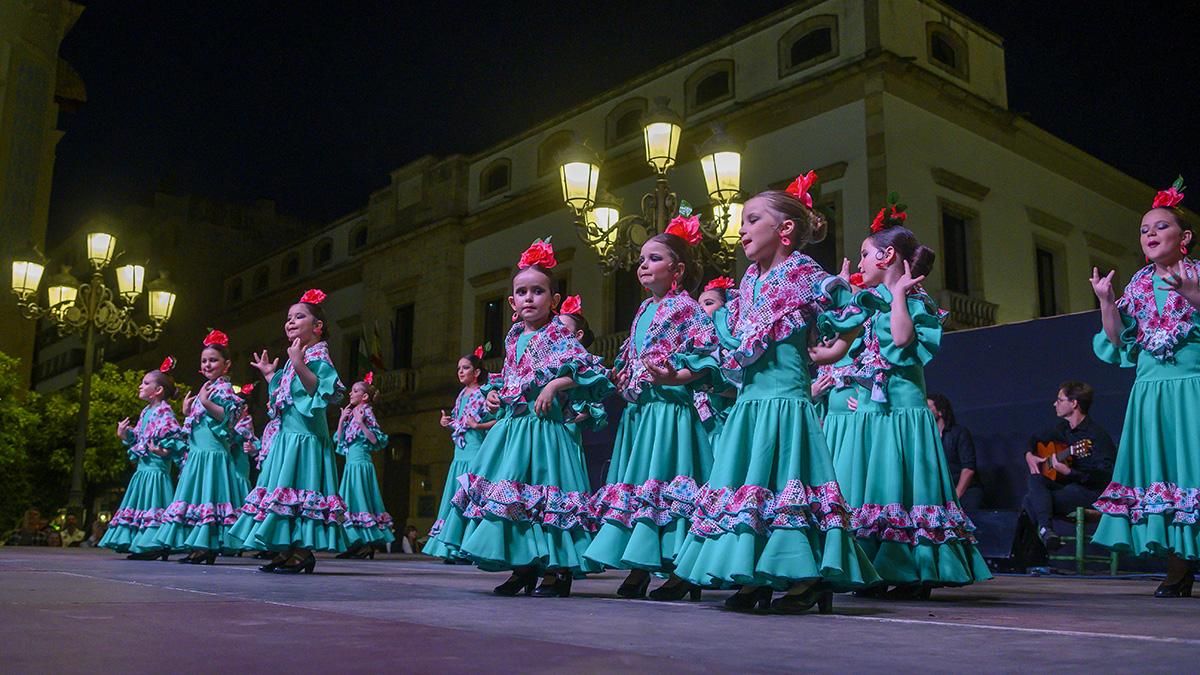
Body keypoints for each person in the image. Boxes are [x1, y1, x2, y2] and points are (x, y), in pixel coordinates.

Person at [673, 171, 879, 614]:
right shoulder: (748, 281)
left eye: (751, 220)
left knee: (788, 481)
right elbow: (735, 343)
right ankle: (755, 573)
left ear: (784, 230)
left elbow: (849, 310)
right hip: (750, 402)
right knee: (752, 483)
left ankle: (806, 577)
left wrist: (833, 351)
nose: (742, 229)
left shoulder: (804, 272)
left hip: (786, 400)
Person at [828, 194, 991, 599]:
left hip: (902, 413)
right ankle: (875, 568)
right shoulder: (865, 303)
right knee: (871, 492)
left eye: (865, 254)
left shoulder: (916, 300)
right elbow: (841, 352)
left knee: (901, 490)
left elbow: (902, 341)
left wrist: (898, 293)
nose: (860, 262)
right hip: (868, 413)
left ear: (887, 256)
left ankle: (913, 571)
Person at [431, 238, 614, 598]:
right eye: (522, 292)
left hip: (546, 428)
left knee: (548, 496)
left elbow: (588, 370)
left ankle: (556, 569)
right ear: (512, 303)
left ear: (554, 300)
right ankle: (523, 565)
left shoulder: (557, 333)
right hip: (514, 427)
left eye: (538, 291)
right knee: (512, 496)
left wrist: (554, 386)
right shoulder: (514, 337)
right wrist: (499, 396)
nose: (530, 298)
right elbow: (514, 378)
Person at [584, 216, 721, 600]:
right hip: (640, 414)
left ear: (677, 270)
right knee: (641, 485)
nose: (643, 265)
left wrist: (675, 375)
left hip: (672, 413)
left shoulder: (688, 308)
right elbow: (632, 355)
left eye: (654, 258)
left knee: (669, 483)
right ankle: (641, 564)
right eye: (641, 259)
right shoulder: (644, 310)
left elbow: (706, 355)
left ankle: (681, 568)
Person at [1091, 176, 1200, 597]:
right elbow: (1118, 341)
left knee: (1193, 471)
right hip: (1151, 393)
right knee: (1166, 478)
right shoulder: (1137, 284)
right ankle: (1178, 568)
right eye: (1144, 229)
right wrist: (1105, 301)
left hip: (1192, 389)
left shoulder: (1196, 276)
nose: (1150, 234)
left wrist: (1194, 297)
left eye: (1160, 226)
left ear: (1184, 236)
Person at [227, 289, 349, 574]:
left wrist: (296, 362)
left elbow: (319, 389)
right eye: (288, 318)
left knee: (301, 489)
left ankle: (302, 551)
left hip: (305, 438)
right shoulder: (301, 352)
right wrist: (271, 374)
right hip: (288, 437)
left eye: (299, 316)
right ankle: (286, 548)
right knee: (284, 492)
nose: (290, 322)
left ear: (317, 326)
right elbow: (288, 394)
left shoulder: (318, 353)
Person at [155, 333, 248, 564]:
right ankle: (199, 547)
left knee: (209, 497)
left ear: (226, 365)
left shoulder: (224, 389)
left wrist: (205, 403)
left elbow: (228, 417)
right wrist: (188, 411)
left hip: (213, 454)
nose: (207, 364)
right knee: (197, 498)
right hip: (198, 454)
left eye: (213, 360)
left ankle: (207, 546)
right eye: (204, 360)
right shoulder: (207, 388)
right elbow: (198, 422)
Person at [99, 357, 182, 559]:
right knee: (142, 504)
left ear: (158, 390)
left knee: (153, 504)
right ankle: (143, 543)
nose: (140, 386)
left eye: (146, 383)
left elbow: (175, 440)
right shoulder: (147, 411)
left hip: (155, 470)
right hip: (144, 470)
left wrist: (162, 452)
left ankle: (154, 544)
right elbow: (140, 438)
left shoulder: (165, 412)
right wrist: (125, 434)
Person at [1021, 381, 1116, 552]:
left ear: (1074, 403)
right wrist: (1029, 455)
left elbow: (1106, 475)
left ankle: (1040, 543)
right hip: (1067, 487)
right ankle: (1045, 533)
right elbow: (1034, 438)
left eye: (1059, 400)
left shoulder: (1097, 435)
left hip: (1089, 492)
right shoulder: (1062, 429)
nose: (1054, 404)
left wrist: (1071, 473)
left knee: (1031, 500)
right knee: (1035, 479)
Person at [424, 348, 494, 561]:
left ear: (477, 372)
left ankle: (469, 547)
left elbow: (499, 420)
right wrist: (448, 422)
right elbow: (460, 422)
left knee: (470, 496)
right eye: (459, 369)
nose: (460, 372)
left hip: (475, 453)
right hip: (459, 454)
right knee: (456, 497)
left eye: (465, 368)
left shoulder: (485, 392)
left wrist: (479, 426)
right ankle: (453, 547)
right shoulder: (461, 395)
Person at [334, 372, 394, 559]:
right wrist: (342, 420)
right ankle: (355, 543)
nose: (351, 394)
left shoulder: (365, 411)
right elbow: (339, 440)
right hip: (352, 464)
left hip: (361, 463)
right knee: (350, 502)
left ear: (365, 396)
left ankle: (364, 543)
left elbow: (376, 439)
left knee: (359, 501)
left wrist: (361, 423)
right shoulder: (353, 413)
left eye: (355, 391)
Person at [694, 276, 738, 448]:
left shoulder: (735, 345)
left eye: (709, 303)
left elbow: (744, 387)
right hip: (702, 425)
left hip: (728, 422)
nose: (701, 309)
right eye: (699, 305)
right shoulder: (693, 345)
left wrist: (710, 385)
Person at [928, 393, 984, 511]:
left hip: (965, 491)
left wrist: (955, 497)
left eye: (928, 408)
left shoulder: (959, 433)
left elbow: (968, 469)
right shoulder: (927, 439)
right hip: (942, 495)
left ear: (940, 411)